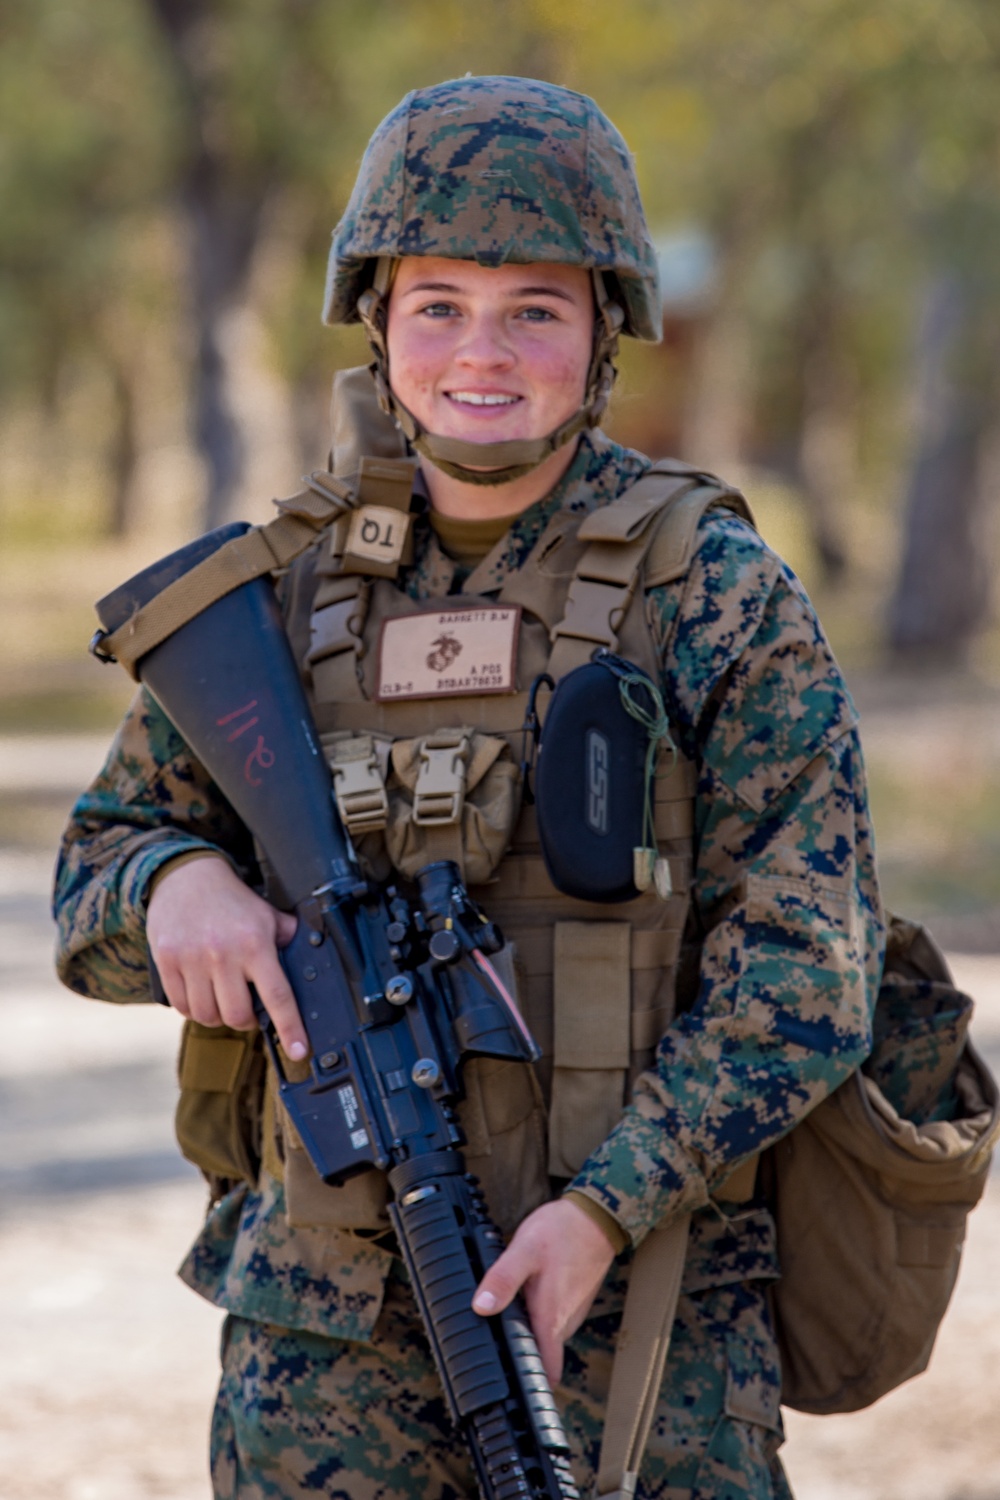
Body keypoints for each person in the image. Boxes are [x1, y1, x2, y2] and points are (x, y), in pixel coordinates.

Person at [54, 75, 884, 1500]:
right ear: (377, 322)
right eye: (437, 304)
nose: (480, 352)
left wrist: (605, 1213)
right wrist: (170, 882)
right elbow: (95, 876)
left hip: (642, 1320)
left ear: (604, 328)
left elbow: (811, 973)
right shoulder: (282, 598)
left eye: (534, 311)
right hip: (323, 1340)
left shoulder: (716, 597)